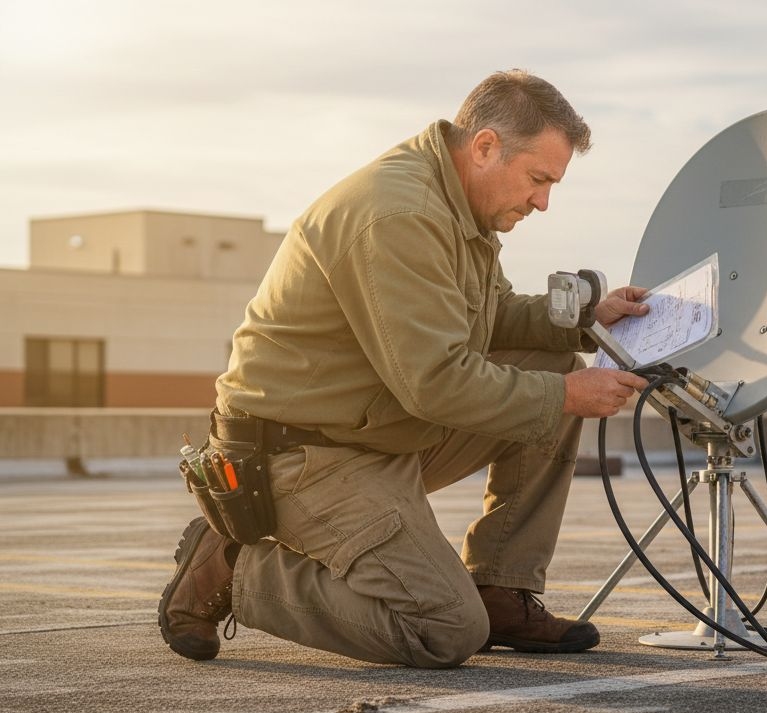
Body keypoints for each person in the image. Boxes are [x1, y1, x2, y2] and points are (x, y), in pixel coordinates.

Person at [157, 70, 650, 668]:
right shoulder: (401, 214)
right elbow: (436, 381)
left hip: (372, 429)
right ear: (487, 146)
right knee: (443, 629)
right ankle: (234, 565)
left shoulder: (459, 203)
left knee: (552, 362)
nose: (543, 201)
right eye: (538, 179)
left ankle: (500, 585)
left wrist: (583, 318)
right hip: (299, 455)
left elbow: (486, 313)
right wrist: (566, 395)